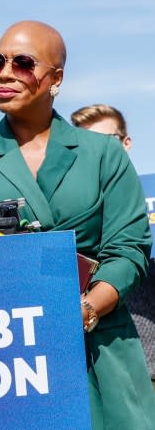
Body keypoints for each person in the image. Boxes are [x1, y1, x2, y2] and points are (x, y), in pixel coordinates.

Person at [0, 21, 155, 428]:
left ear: (56, 79)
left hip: (99, 344)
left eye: (23, 62)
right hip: (4, 357)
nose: (5, 72)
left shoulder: (103, 154)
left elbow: (128, 249)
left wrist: (85, 310)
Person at [72, 103, 155, 389]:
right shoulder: (76, 212)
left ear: (126, 142)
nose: (97, 153)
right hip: (108, 359)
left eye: (105, 142)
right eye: (85, 144)